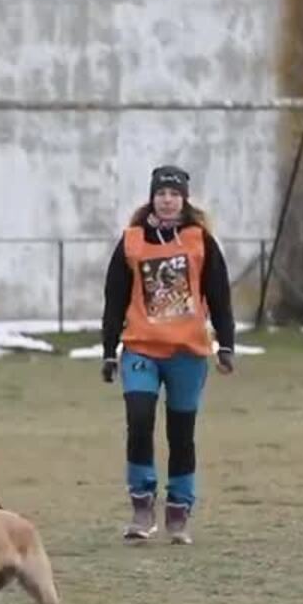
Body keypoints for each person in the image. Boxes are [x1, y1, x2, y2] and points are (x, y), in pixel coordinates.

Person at [99, 164, 237, 546]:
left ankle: (178, 510)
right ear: (152, 197)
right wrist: (109, 350)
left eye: (174, 194)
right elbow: (114, 299)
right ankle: (142, 505)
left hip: (187, 352)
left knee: (181, 432)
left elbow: (219, 295)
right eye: (161, 193)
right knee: (139, 419)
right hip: (141, 348)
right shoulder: (131, 241)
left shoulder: (199, 241)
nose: (167, 200)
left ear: (184, 199)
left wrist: (226, 344)